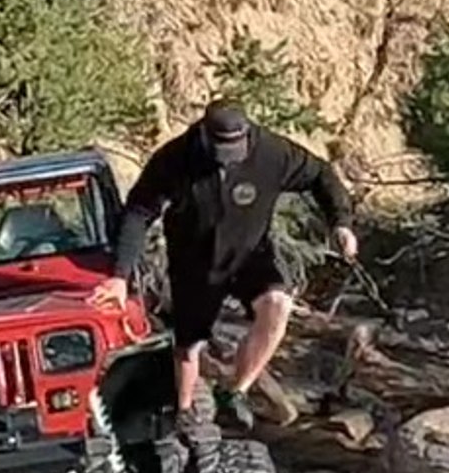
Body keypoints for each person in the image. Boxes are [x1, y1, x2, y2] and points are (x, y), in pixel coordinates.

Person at [91, 99, 358, 434]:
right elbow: (139, 212)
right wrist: (119, 276)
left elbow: (321, 174)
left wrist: (340, 223)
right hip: (195, 262)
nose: (228, 159)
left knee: (278, 305)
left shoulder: (271, 153)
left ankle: (235, 392)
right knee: (189, 348)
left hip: (251, 255)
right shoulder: (175, 158)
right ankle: (185, 415)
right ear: (204, 135)